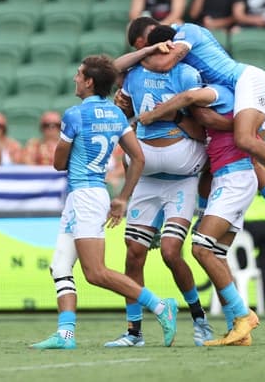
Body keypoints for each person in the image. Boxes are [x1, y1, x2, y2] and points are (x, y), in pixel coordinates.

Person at [117, 19, 265, 251]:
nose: (144, 51)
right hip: (230, 94)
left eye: (144, 44)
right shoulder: (184, 67)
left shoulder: (186, 31)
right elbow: (118, 68)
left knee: (245, 141)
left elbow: (166, 64)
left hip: (247, 83)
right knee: (228, 161)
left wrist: (156, 113)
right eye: (139, 49)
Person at [30, 55, 178, 350]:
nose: (75, 78)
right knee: (60, 265)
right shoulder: (116, 115)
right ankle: (66, 335)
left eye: (79, 74)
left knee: (96, 272)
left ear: (89, 82)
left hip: (84, 195)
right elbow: (138, 157)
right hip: (90, 195)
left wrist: (65, 148)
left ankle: (161, 306)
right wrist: (122, 197)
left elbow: (59, 163)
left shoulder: (74, 115)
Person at [105, 52, 214, 348]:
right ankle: (134, 332)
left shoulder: (188, 76)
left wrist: (174, 115)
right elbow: (128, 129)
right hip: (146, 181)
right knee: (133, 253)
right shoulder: (132, 78)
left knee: (170, 251)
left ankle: (199, 318)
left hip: (182, 182)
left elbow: (203, 131)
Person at [138, 82, 261, 346]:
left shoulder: (221, 100)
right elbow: (205, 163)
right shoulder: (208, 121)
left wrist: (168, 112)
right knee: (215, 254)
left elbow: (207, 115)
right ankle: (237, 330)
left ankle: (242, 314)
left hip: (234, 180)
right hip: (224, 183)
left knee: (200, 248)